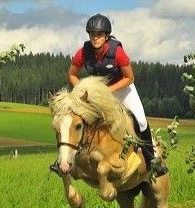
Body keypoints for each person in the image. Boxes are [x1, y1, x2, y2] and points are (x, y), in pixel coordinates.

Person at [67, 13, 168, 176]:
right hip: (98, 93)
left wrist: (109, 90)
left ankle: (153, 162)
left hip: (123, 88)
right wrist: (82, 89)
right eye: (92, 34)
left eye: (99, 35)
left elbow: (130, 77)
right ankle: (68, 159)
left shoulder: (118, 52)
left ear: (106, 36)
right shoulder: (83, 52)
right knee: (76, 118)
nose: (95, 38)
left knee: (141, 121)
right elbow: (72, 74)